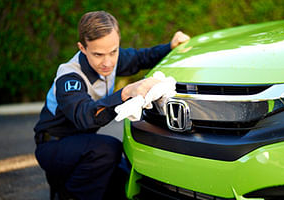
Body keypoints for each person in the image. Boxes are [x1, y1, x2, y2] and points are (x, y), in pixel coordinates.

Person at [33, 11, 190, 200]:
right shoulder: (69, 77)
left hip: (83, 144)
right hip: (54, 146)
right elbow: (85, 117)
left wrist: (171, 47)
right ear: (82, 48)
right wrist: (125, 92)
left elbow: (141, 58)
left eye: (113, 51)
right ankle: (68, 195)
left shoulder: (110, 59)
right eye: (98, 54)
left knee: (125, 176)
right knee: (108, 150)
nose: (107, 62)